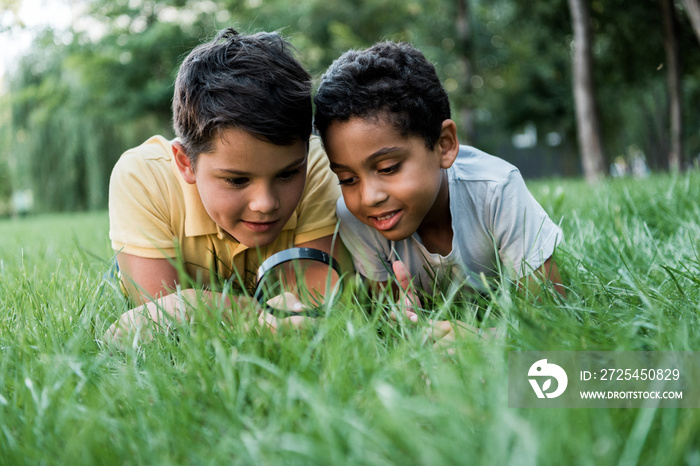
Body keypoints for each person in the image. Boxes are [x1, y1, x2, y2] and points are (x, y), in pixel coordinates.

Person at [103, 28, 347, 345]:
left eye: (287, 174)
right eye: (236, 180)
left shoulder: (315, 164)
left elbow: (315, 310)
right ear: (185, 163)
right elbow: (157, 319)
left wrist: (191, 304)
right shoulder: (142, 177)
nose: (266, 203)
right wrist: (264, 315)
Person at [313, 41, 565, 345]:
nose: (368, 197)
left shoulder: (496, 189)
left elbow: (554, 318)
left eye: (389, 168)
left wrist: (484, 339)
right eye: (348, 178)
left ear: (444, 144)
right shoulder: (357, 218)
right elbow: (393, 322)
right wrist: (407, 327)